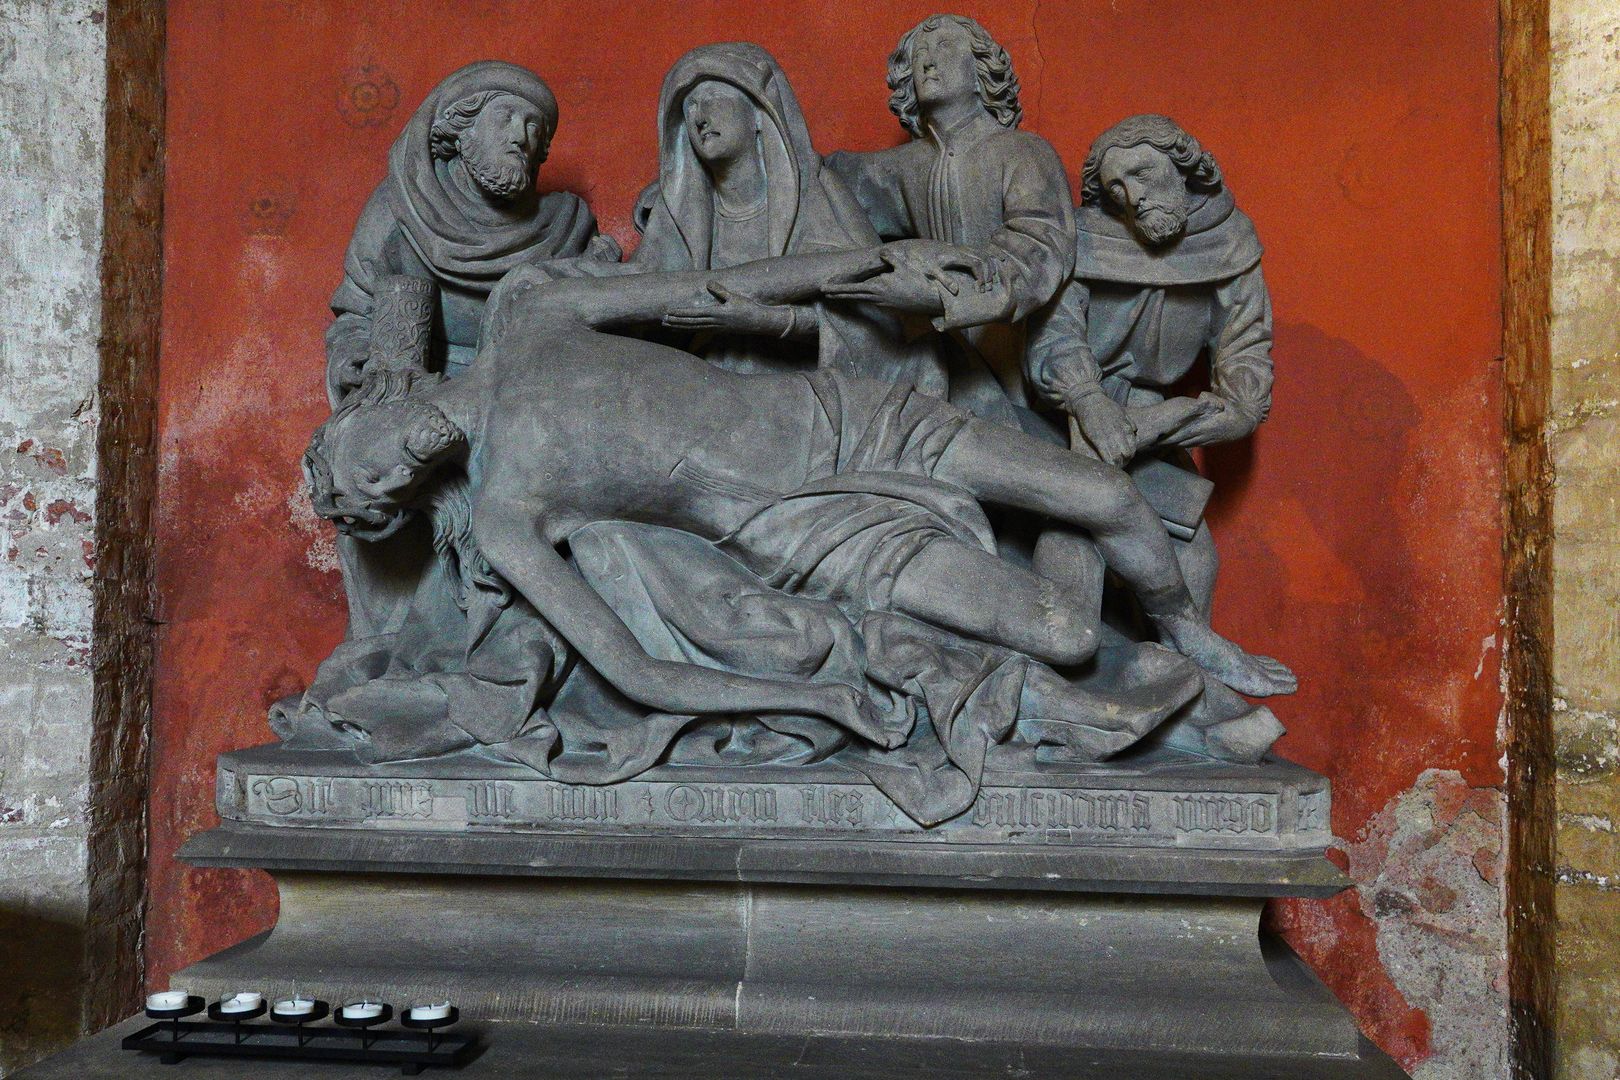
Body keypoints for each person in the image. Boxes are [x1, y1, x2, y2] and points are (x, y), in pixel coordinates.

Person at [308, 248, 1296, 708]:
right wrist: (810, 702)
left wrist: (874, 258)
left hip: (845, 418)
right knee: (1068, 634)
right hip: (807, 534)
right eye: (383, 492)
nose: (394, 470)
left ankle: (1183, 626)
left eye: (365, 456)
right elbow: (634, 670)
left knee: (1109, 496)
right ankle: (1055, 543)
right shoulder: (505, 514)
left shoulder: (530, 318)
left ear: (373, 403)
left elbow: (714, 288)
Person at [1023, 114, 1282, 758]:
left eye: (1142, 174)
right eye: (1117, 188)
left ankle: (1187, 706)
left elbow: (1246, 390)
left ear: (1184, 166)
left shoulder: (1230, 246)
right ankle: (1078, 715)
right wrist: (1088, 400)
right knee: (1071, 558)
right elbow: (1054, 336)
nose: (1133, 196)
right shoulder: (1087, 239)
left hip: (1156, 427)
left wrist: (1162, 421)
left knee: (1194, 557)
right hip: (1064, 421)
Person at [824, 14, 1074, 425]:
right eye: (918, 54)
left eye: (944, 48)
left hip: (1020, 365)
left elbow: (1038, 250)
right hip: (939, 363)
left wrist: (940, 296)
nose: (927, 62)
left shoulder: (1021, 151)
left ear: (981, 72)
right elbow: (823, 181)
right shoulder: (902, 166)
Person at [325, 60, 606, 403]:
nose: (520, 137)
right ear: (463, 128)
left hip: (528, 392)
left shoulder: (567, 223)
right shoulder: (402, 205)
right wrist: (353, 356)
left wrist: (600, 272)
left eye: (533, 126)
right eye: (505, 118)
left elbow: (587, 326)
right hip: (422, 392)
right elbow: (356, 313)